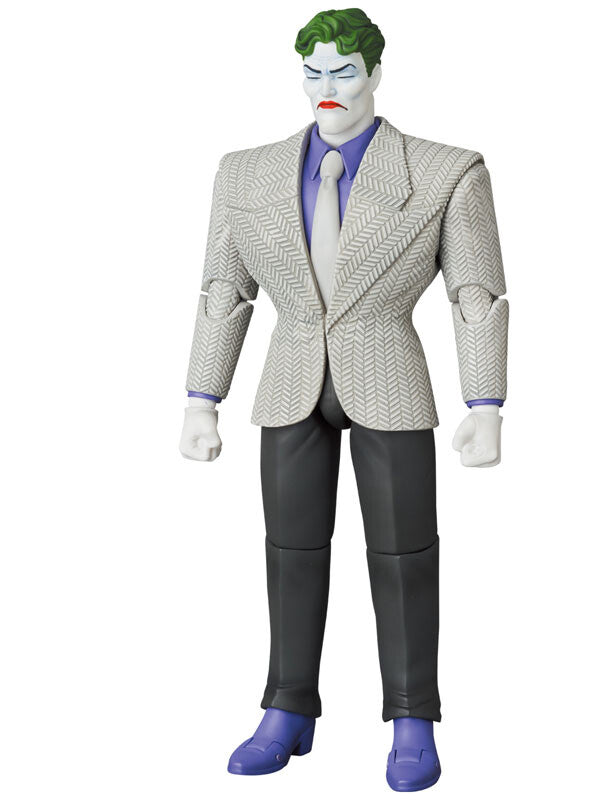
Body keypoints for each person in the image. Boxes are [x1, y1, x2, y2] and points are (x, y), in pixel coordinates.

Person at [178, 8, 509, 792]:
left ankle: (412, 717)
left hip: (388, 374)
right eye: (314, 72)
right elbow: (224, 290)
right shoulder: (245, 174)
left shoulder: (445, 171)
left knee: (404, 558)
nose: (328, 87)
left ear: (375, 74)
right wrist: (201, 397)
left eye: (344, 72)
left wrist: (486, 402)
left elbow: (476, 293)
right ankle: (287, 706)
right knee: (289, 555)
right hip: (289, 379)